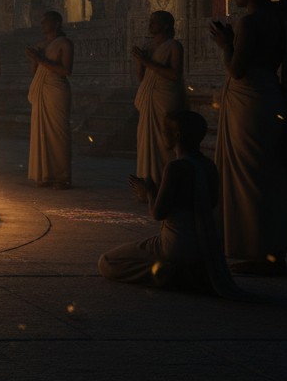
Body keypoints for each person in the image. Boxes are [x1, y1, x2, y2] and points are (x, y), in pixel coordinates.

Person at [99, 110, 250, 299]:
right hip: (203, 247)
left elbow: (158, 213)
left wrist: (148, 192)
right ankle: (183, 271)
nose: (162, 135)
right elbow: (210, 204)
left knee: (107, 262)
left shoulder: (176, 168)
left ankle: (169, 276)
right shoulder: (209, 166)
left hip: (174, 245)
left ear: (177, 135)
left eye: (165, 131)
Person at [209, 0, 287, 277]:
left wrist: (225, 44)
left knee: (250, 177)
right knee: (266, 176)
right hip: (268, 95)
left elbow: (236, 69)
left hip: (250, 101)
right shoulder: (279, 18)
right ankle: (271, 251)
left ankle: (259, 252)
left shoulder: (250, 22)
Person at [132, 11, 187, 187]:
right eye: (150, 21)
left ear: (165, 26)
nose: (150, 25)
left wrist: (147, 62)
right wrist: (140, 60)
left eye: (154, 22)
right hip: (150, 98)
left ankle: (167, 184)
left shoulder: (174, 46)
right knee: (146, 142)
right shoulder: (149, 47)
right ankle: (148, 184)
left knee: (165, 140)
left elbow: (174, 74)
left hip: (165, 98)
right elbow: (143, 78)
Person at [26, 10, 74, 189]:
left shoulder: (64, 44)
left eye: (46, 21)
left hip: (56, 90)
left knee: (58, 133)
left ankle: (62, 177)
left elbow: (66, 70)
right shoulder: (40, 44)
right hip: (42, 89)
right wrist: (34, 59)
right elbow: (35, 72)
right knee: (42, 132)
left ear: (57, 24)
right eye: (42, 21)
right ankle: (46, 174)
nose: (42, 24)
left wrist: (39, 58)